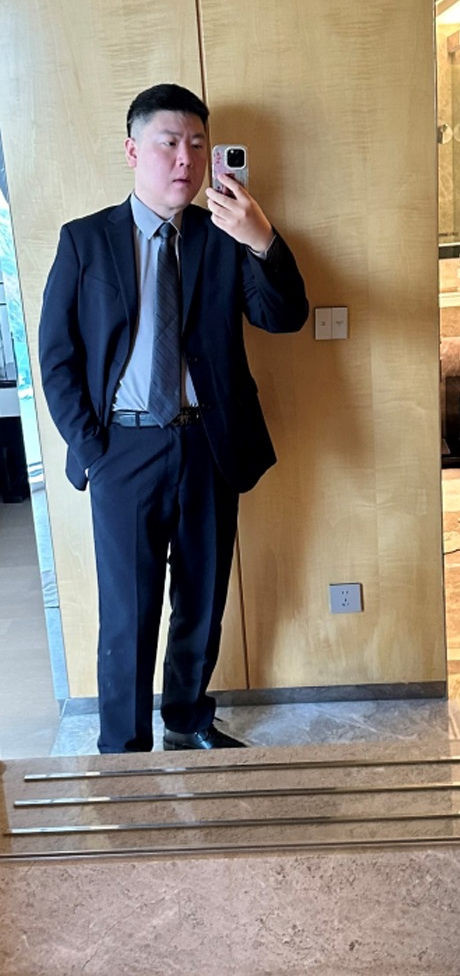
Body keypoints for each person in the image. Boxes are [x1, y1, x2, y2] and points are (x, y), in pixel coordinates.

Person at [38, 83, 309, 754]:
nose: (185, 158)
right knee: (127, 612)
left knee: (201, 600)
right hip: (122, 450)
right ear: (133, 150)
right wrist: (93, 449)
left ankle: (187, 720)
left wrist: (261, 237)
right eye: (169, 143)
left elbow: (283, 317)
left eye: (197, 144)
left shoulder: (224, 237)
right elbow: (57, 357)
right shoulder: (85, 241)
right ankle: (124, 746)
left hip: (208, 446)